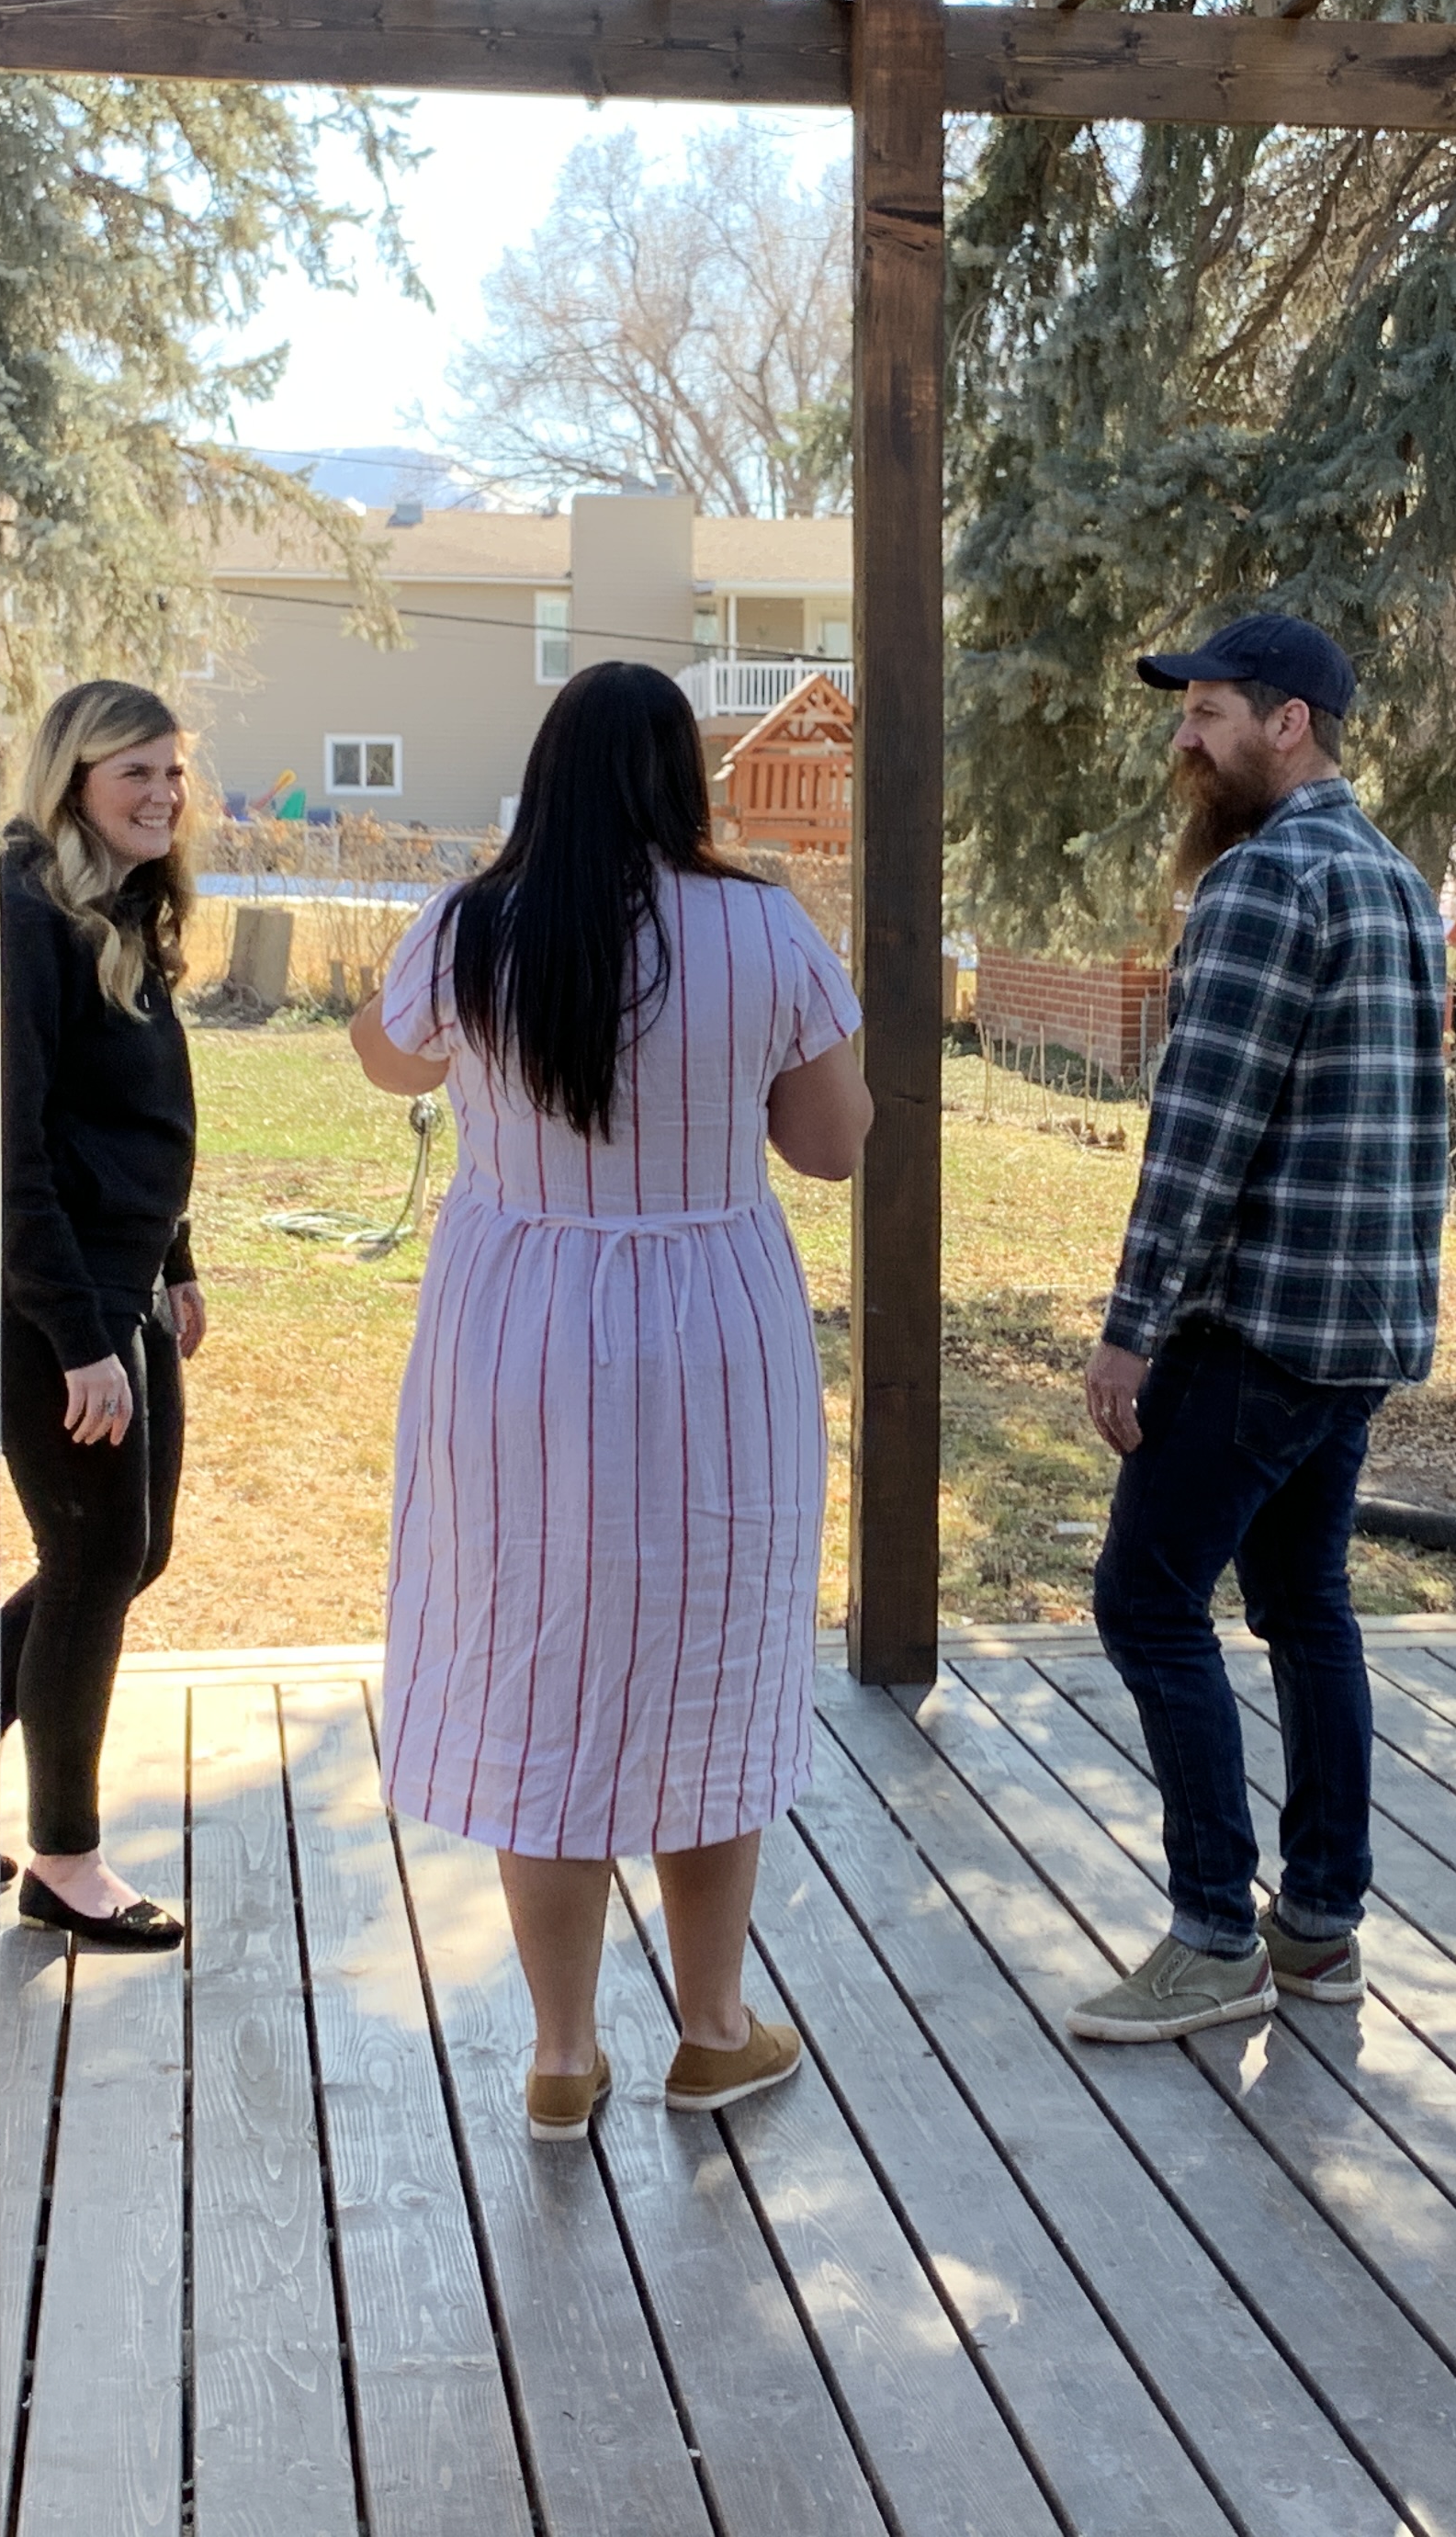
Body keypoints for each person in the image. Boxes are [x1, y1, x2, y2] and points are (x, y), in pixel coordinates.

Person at [352, 661, 871, 2140]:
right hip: (715, 1331)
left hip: (515, 1334)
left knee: (537, 1656)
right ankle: (712, 2030)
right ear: (681, 778)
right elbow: (832, 1148)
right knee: (709, 1650)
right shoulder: (763, 926)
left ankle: (563, 2054)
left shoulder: (469, 926)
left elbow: (386, 1056)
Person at [1063, 613, 1448, 2044]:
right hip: (1361, 1333)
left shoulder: (1262, 885)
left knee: (1146, 1602)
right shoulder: (1398, 885)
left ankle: (1216, 1931)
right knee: (1303, 1608)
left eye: (1210, 713)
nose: (1185, 739)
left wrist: (1129, 1330)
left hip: (1258, 1331)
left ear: (1289, 723)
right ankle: (1323, 1931)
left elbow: (1199, 1137)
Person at [0, 678, 209, 1954]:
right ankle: (65, 1862)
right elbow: (11, 1145)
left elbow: (130, 1111)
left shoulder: (121, 908)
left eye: (174, 773)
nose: (162, 794)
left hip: (125, 1278)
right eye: (135, 772)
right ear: (72, 778)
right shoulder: (29, 915)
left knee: (133, 1554)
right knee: (91, 1561)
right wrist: (79, 1333)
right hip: (55, 1298)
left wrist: (176, 1255)